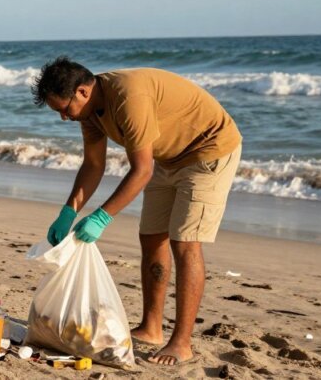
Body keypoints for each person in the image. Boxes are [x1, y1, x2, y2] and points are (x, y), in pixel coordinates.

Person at [31, 57, 242, 366]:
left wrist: (102, 217)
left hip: (208, 151)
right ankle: (151, 327)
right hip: (169, 158)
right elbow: (93, 165)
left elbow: (141, 171)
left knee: (184, 243)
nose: (64, 117)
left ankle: (182, 342)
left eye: (64, 109)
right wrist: (68, 211)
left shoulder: (129, 96)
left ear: (82, 92)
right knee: (151, 237)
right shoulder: (89, 113)